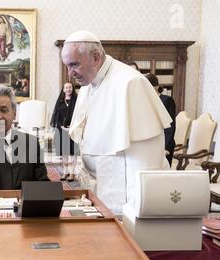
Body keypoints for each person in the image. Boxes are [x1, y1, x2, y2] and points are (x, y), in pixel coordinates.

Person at [61, 30, 172, 214]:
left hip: (124, 197)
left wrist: (136, 209)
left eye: (74, 65)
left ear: (95, 58)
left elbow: (144, 161)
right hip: (98, 189)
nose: (70, 73)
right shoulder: (89, 84)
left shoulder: (131, 83)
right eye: (67, 66)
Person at [145, 73, 176, 166]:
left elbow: (170, 126)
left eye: (151, 87)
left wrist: (165, 147)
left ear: (157, 87)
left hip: (164, 143)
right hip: (151, 143)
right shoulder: (147, 101)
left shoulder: (167, 100)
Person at [50, 81, 79, 182]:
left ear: (72, 88)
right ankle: (65, 171)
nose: (68, 89)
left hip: (73, 130)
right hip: (62, 129)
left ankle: (72, 173)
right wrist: (60, 126)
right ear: (63, 89)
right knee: (64, 153)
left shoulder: (77, 100)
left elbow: (79, 115)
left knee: (73, 152)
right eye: (66, 87)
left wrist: (72, 126)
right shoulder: (61, 101)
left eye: (70, 87)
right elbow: (56, 115)